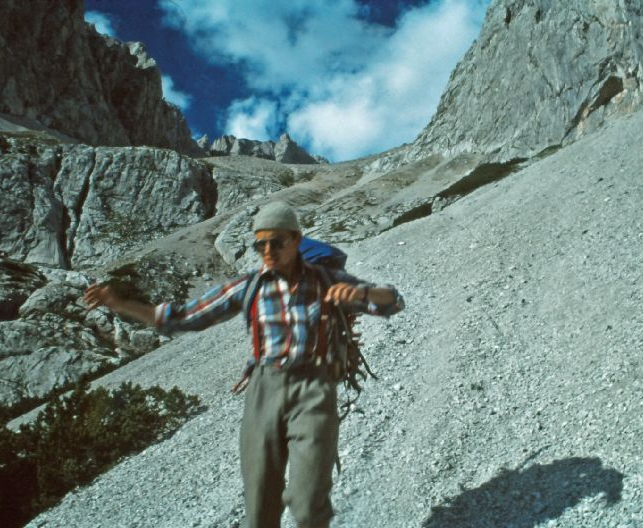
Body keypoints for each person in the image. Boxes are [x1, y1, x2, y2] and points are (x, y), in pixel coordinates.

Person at [84, 201, 404, 528]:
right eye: (259, 244)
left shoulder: (327, 280)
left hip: (314, 389)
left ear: (296, 239)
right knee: (260, 506)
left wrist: (364, 293)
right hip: (263, 391)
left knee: (308, 505)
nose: (267, 250)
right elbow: (182, 317)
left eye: (276, 242)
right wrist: (120, 303)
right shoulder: (248, 286)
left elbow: (392, 301)